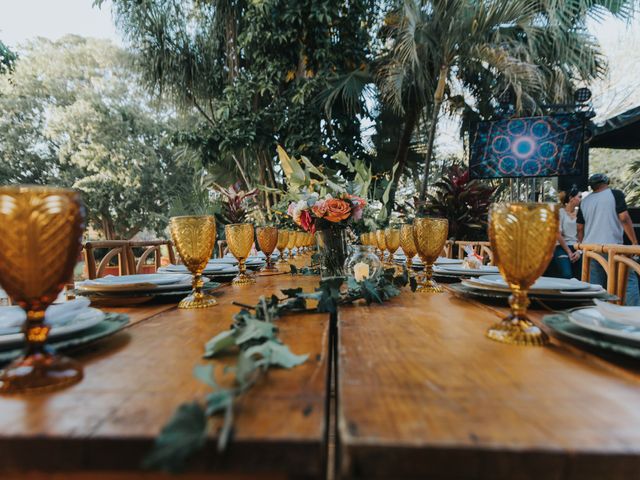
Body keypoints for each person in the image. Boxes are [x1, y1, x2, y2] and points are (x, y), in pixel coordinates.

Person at [577, 173, 639, 305]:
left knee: (594, 286)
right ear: (606, 182)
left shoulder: (585, 202)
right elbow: (624, 218)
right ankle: (634, 315)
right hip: (612, 247)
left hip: (590, 249)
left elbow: (580, 228)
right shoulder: (615, 194)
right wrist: (634, 242)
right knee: (628, 281)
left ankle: (594, 315)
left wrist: (582, 247)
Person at [546, 189, 582, 279]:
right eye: (579, 197)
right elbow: (558, 233)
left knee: (581, 275)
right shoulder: (560, 212)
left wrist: (579, 251)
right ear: (571, 198)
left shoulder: (580, 213)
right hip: (562, 247)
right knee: (567, 274)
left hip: (577, 247)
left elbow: (582, 232)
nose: (581, 199)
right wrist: (569, 252)